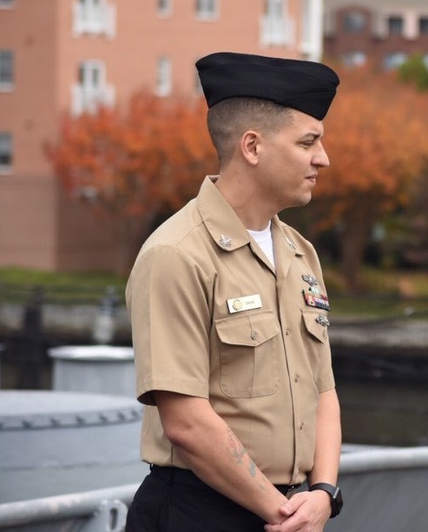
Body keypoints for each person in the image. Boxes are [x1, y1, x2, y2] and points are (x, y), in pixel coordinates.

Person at [125, 52, 344, 532]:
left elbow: (323, 390)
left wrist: (324, 493)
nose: (323, 158)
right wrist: (282, 512)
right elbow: (184, 421)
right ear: (252, 146)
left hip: (291, 512)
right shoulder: (177, 254)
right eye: (308, 142)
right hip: (198, 513)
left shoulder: (300, 253)